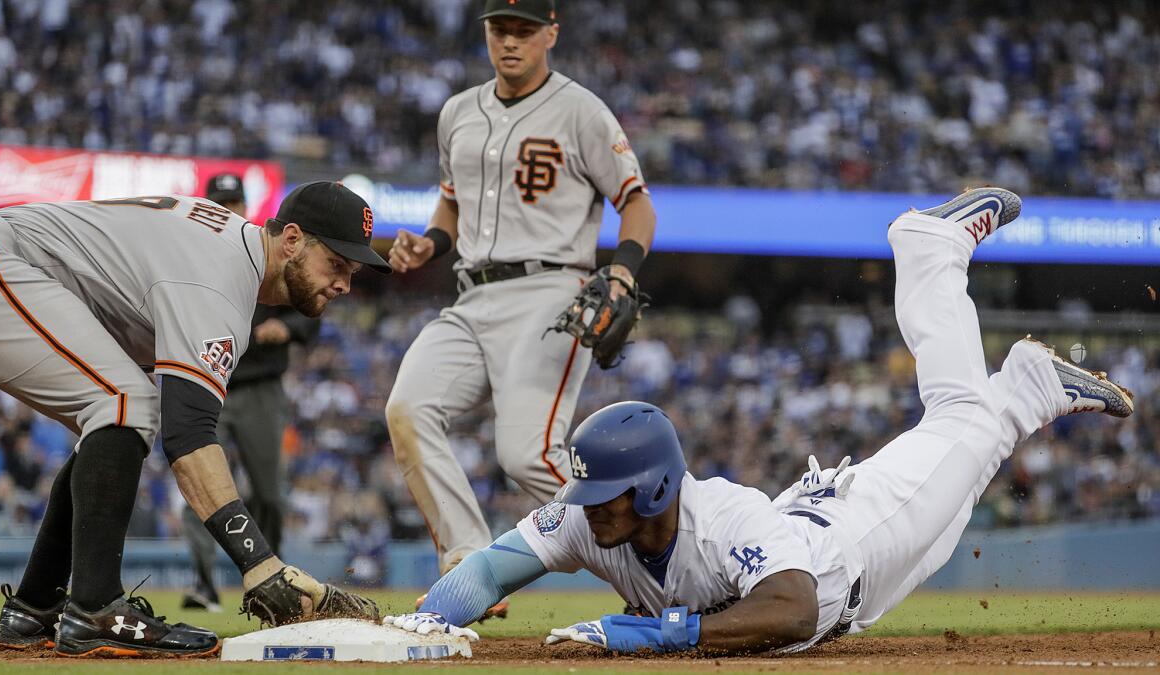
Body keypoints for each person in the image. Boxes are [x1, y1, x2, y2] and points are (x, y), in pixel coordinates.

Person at [383, 187, 1135, 653]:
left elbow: (795, 606)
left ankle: (931, 254)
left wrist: (664, 632)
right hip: (832, 561)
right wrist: (437, 613)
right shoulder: (592, 517)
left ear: (650, 491)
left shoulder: (720, 517)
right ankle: (1029, 389)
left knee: (968, 424)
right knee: (963, 469)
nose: (582, 508)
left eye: (601, 494)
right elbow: (490, 565)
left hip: (855, 546)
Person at [0, 181, 390, 657]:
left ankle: (35, 606)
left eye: (351, 271)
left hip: (3, 261)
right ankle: (95, 607)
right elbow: (187, 437)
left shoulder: (229, 259)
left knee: (116, 411)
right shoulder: (218, 280)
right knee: (124, 403)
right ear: (291, 240)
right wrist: (259, 563)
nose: (344, 284)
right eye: (335, 263)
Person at [383, 0, 658, 611]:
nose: (510, 41)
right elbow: (450, 207)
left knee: (526, 454)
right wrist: (426, 244)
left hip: (550, 288)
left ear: (550, 34)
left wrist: (620, 270)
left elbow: (637, 204)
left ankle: (669, 556)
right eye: (499, 29)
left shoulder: (581, 109)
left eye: (524, 30)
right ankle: (468, 567)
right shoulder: (457, 112)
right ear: (485, 32)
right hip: (470, 292)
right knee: (408, 408)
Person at [179, 174, 320, 613]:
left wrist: (289, 328)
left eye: (233, 201)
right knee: (199, 485)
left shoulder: (269, 251)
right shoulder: (195, 255)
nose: (229, 208)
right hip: (213, 383)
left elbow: (309, 307)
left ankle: (271, 576)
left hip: (260, 387)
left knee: (268, 493)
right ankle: (203, 584)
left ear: (244, 204)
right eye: (221, 202)